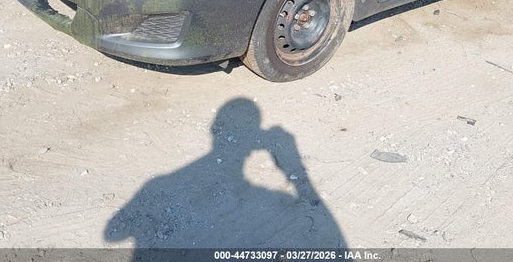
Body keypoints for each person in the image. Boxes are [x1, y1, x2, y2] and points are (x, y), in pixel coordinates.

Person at [104, 97, 346, 254]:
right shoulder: (271, 202)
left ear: (213, 130)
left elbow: (112, 233)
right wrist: (295, 168)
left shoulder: (157, 185)